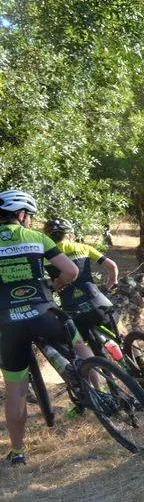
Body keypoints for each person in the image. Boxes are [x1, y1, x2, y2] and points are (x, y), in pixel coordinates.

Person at [0, 190, 99, 466]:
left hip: (8, 323)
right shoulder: (37, 238)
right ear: (21, 215)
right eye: (29, 215)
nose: (30, 220)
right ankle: (101, 396)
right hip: (44, 312)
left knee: (15, 389)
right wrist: (56, 286)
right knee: (80, 346)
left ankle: (18, 452)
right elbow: (71, 272)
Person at [43, 219, 120, 342]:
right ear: (70, 234)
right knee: (117, 334)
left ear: (47, 237)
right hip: (96, 300)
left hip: (71, 307)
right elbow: (112, 266)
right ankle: (131, 352)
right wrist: (111, 283)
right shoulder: (83, 247)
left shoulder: (45, 256)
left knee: (82, 344)